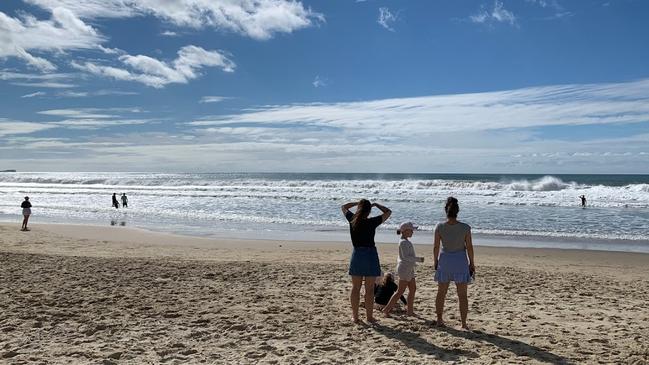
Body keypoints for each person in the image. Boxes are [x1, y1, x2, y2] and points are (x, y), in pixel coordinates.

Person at [341, 199, 392, 324]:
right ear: (369, 211)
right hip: (370, 255)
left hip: (357, 254)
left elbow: (343, 207)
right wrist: (376, 205)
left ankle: (355, 317)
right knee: (369, 289)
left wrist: (356, 203)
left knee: (356, 288)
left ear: (359, 209)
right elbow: (388, 212)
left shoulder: (352, 219)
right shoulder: (372, 222)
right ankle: (369, 317)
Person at [433, 197, 475, 330]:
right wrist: (472, 263)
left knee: (441, 293)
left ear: (446, 211)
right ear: (458, 211)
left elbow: (435, 247)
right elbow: (469, 247)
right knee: (462, 295)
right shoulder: (465, 228)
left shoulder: (439, 227)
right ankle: (463, 323)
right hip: (460, 261)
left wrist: (435, 261)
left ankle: (439, 319)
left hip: (445, 260)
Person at [383, 222, 424, 317]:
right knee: (400, 291)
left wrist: (414, 262)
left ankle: (409, 311)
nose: (413, 232)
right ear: (405, 231)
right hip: (404, 269)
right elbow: (405, 257)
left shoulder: (405, 241)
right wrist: (418, 259)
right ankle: (386, 309)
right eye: (411, 230)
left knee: (413, 289)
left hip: (408, 268)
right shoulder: (403, 242)